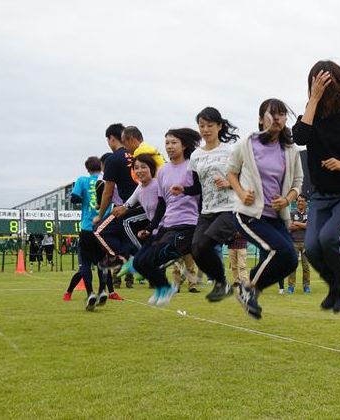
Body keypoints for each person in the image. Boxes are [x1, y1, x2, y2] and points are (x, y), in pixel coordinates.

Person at [293, 60, 340, 312]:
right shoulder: (310, 120)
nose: (322, 88)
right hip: (320, 197)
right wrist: (312, 101)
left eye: (326, 83)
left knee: (327, 238)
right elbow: (299, 137)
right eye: (316, 83)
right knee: (312, 248)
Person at [228, 98, 303, 319]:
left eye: (281, 114)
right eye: (272, 114)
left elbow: (298, 182)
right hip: (249, 214)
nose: (277, 118)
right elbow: (231, 172)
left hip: (277, 216)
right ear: (261, 120)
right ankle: (248, 289)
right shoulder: (247, 144)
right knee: (282, 250)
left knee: (290, 260)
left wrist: (288, 199)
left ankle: (250, 288)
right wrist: (242, 193)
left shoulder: (290, 149)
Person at [173, 107, 241, 304]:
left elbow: (247, 177)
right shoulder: (195, 156)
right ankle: (222, 284)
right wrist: (184, 190)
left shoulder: (231, 150)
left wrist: (230, 183)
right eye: (202, 126)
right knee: (196, 248)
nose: (205, 129)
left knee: (205, 244)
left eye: (210, 125)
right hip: (207, 210)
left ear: (219, 126)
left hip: (229, 208)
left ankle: (221, 282)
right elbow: (197, 186)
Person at [132, 128, 201, 306]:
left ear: (184, 145)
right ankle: (163, 288)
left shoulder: (193, 166)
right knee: (139, 262)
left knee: (153, 259)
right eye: (167, 143)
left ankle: (166, 288)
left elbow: (200, 191)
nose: (169, 147)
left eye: (173, 143)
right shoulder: (163, 171)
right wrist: (150, 227)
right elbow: (162, 204)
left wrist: (185, 190)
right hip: (166, 224)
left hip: (188, 224)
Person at [65, 156, 117, 310]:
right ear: (101, 168)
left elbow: (74, 198)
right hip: (103, 229)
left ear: (87, 168)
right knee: (103, 262)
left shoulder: (82, 180)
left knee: (86, 263)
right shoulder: (108, 182)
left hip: (87, 227)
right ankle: (102, 291)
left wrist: (85, 199)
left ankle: (90, 293)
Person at [93, 123, 139, 268]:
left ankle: (121, 257)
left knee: (99, 231)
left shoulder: (113, 159)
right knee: (127, 233)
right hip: (145, 204)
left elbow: (108, 192)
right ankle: (129, 255)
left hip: (127, 206)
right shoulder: (137, 155)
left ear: (112, 138)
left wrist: (100, 215)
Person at [286, 195, 310, 294]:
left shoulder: (309, 213)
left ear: (306, 202)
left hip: (306, 243)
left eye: (302, 201)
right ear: (296, 202)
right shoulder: (291, 213)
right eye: (299, 201)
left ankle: (306, 286)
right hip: (294, 242)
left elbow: (309, 225)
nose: (300, 202)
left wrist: (297, 223)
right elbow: (290, 226)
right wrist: (302, 225)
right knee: (292, 266)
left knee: (306, 266)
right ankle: (291, 286)